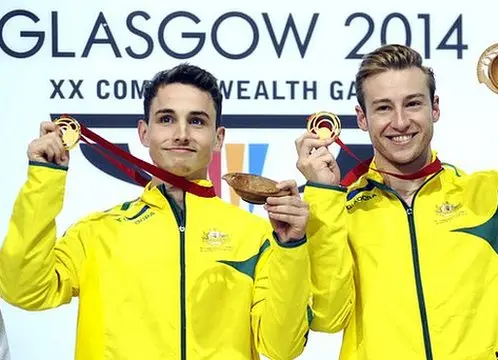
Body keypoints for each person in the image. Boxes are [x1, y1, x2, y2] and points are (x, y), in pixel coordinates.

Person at [295, 44, 498, 359]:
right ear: (362, 118)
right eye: (383, 107)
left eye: (413, 103)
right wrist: (323, 194)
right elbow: (327, 316)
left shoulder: (496, 198)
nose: (400, 122)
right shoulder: (340, 212)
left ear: (434, 107)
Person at [0, 63, 312, 360]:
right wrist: (44, 179)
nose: (181, 133)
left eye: (197, 120)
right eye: (166, 119)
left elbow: (282, 347)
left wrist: (291, 248)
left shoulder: (256, 236)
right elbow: (22, 289)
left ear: (218, 138)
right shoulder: (97, 232)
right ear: (143, 133)